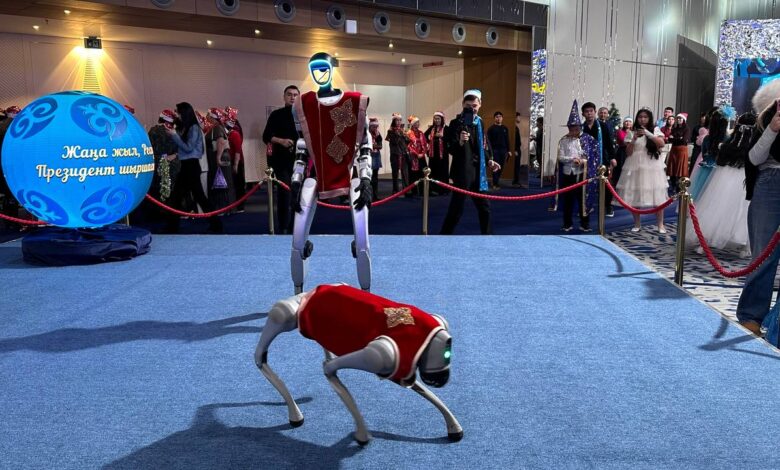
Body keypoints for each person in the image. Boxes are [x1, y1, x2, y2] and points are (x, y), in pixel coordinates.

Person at [289, 52, 374, 293]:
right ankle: (298, 290)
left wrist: (365, 178)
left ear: (331, 69)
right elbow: (302, 146)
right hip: (317, 176)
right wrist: (296, 179)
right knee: (297, 238)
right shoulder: (304, 104)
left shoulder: (354, 102)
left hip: (351, 174)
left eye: (323, 68)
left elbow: (364, 144)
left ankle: (366, 292)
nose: (319, 73)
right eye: (314, 68)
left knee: (362, 240)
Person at [736, 80, 780, 336]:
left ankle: (776, 324)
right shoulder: (767, 118)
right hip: (771, 183)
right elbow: (753, 158)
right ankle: (751, 316)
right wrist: (772, 129)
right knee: (764, 254)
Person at [685, 112, 756, 255]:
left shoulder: (727, 145)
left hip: (724, 177)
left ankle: (706, 241)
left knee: (716, 206)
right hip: (744, 179)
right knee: (742, 210)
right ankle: (745, 246)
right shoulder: (752, 147)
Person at [440, 89, 501, 235]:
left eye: (474, 106)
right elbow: (450, 148)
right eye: (468, 106)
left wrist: (490, 160)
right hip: (462, 172)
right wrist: (460, 142)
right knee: (457, 208)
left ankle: (487, 237)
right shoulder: (455, 123)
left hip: (479, 172)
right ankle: (443, 236)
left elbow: (483, 145)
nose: (471, 109)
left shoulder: (480, 122)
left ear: (480, 105)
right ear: (462, 104)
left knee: (485, 207)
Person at [165, 102, 223, 234]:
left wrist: (174, 135)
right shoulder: (187, 127)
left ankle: (215, 224)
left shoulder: (194, 128)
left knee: (189, 197)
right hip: (188, 165)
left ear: (184, 113)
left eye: (178, 112)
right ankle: (215, 224)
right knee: (187, 197)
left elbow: (188, 147)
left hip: (191, 166)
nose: (176, 114)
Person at [614, 108, 668, 233]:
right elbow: (628, 152)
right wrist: (633, 139)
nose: (642, 119)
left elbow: (661, 144)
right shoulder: (631, 132)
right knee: (635, 194)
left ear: (649, 118)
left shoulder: (655, 129)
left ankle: (660, 224)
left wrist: (648, 134)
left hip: (652, 165)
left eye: (645, 117)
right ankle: (637, 224)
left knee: (657, 195)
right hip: (635, 165)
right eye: (640, 117)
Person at [556, 100, 600, 232]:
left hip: (582, 174)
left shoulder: (588, 139)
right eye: (571, 128)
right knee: (568, 200)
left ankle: (585, 223)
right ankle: (567, 223)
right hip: (568, 174)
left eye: (576, 128)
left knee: (583, 199)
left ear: (580, 127)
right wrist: (572, 159)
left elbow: (592, 156)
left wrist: (583, 161)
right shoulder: (563, 141)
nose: (573, 131)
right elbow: (560, 157)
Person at [263, 85, 300, 234]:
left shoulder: (303, 116)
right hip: (281, 162)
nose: (292, 97)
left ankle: (296, 226)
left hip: (299, 161)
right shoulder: (276, 115)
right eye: (289, 94)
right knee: (284, 194)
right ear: (284, 97)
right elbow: (266, 136)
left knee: (298, 194)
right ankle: (283, 226)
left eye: (295, 95)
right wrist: (281, 141)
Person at [581, 102, 616, 215]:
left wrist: (612, 157)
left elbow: (609, 143)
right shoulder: (581, 128)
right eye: (587, 111)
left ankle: (608, 206)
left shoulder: (602, 126)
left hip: (602, 158)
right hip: (586, 160)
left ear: (595, 112)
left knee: (605, 183)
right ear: (583, 114)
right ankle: (586, 206)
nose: (589, 113)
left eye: (591, 111)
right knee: (586, 183)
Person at [690, 109, 728, 201]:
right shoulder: (728, 139)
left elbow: (704, 154)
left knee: (700, 196)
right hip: (721, 171)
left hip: (706, 169)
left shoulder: (707, 138)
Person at [204, 108, 235, 211]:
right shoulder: (217, 127)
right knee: (222, 182)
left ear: (213, 117)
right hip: (220, 156)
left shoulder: (217, 127)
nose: (207, 117)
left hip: (219, 156)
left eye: (208, 115)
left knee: (220, 183)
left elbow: (220, 142)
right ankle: (225, 207)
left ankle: (222, 207)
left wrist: (218, 158)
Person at [147, 109, 180, 202]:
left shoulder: (153, 131)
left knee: (157, 194)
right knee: (171, 194)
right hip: (173, 166)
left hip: (157, 165)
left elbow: (150, 149)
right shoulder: (175, 132)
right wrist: (174, 155)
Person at [610, 116, 633, 217]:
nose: (628, 123)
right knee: (621, 174)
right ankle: (620, 196)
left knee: (630, 175)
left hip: (632, 154)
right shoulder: (620, 131)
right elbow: (624, 141)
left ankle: (630, 197)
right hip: (622, 154)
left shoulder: (634, 132)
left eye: (629, 122)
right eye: (626, 121)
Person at [225, 107, 245, 212]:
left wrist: (236, 164)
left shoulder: (235, 131)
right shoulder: (232, 130)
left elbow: (237, 149)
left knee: (238, 184)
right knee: (234, 183)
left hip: (236, 161)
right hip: (233, 160)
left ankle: (240, 205)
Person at [425, 111, 449, 194]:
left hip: (443, 155)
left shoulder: (446, 128)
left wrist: (443, 136)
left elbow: (451, 139)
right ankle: (433, 189)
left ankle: (443, 189)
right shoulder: (432, 128)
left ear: (442, 119)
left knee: (442, 171)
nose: (436, 120)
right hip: (433, 154)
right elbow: (424, 136)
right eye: (435, 119)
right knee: (433, 171)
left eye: (438, 119)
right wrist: (430, 141)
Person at [386, 114, 410, 195]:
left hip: (403, 154)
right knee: (395, 173)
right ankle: (395, 190)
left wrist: (405, 135)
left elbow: (408, 141)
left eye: (400, 120)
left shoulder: (403, 130)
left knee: (405, 173)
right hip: (395, 154)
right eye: (397, 120)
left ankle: (406, 190)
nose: (399, 122)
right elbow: (395, 142)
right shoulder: (390, 131)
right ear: (394, 121)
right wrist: (400, 134)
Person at [666, 113, 690, 193]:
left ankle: (680, 187)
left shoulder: (686, 129)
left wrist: (675, 138)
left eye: (680, 118)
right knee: (672, 168)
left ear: (684, 120)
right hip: (674, 150)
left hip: (681, 150)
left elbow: (684, 140)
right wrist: (678, 138)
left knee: (680, 169)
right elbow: (669, 139)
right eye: (678, 118)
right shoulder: (674, 128)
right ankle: (672, 186)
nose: (679, 120)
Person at [486, 111, 511, 190]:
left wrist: (509, 150)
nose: (498, 118)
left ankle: (495, 181)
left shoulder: (505, 128)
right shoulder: (491, 128)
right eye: (497, 117)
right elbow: (488, 141)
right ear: (494, 118)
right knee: (495, 167)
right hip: (495, 150)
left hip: (503, 150)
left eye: (500, 116)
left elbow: (507, 140)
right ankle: (495, 184)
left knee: (501, 167)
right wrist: (490, 152)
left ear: (502, 118)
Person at [406, 115, 428, 196]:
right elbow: (408, 146)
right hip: (413, 157)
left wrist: (423, 153)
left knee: (422, 173)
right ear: (413, 124)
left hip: (421, 157)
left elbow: (425, 144)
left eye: (418, 122)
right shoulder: (408, 133)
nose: (418, 124)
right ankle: (414, 191)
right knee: (414, 175)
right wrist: (416, 154)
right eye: (416, 122)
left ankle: (422, 191)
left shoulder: (421, 133)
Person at [368, 118, 383, 199]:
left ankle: (375, 195)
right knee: (368, 176)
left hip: (376, 155)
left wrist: (373, 146)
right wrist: (374, 146)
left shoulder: (378, 134)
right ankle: (368, 194)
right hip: (368, 156)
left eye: (376, 127)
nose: (375, 128)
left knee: (375, 176)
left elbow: (380, 146)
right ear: (370, 127)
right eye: (373, 127)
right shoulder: (367, 134)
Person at [512, 112, 523, 187]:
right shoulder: (514, 128)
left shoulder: (516, 127)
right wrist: (515, 150)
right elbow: (514, 140)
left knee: (517, 166)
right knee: (516, 166)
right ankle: (515, 182)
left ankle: (516, 181)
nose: (520, 118)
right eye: (519, 117)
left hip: (517, 149)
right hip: (516, 150)